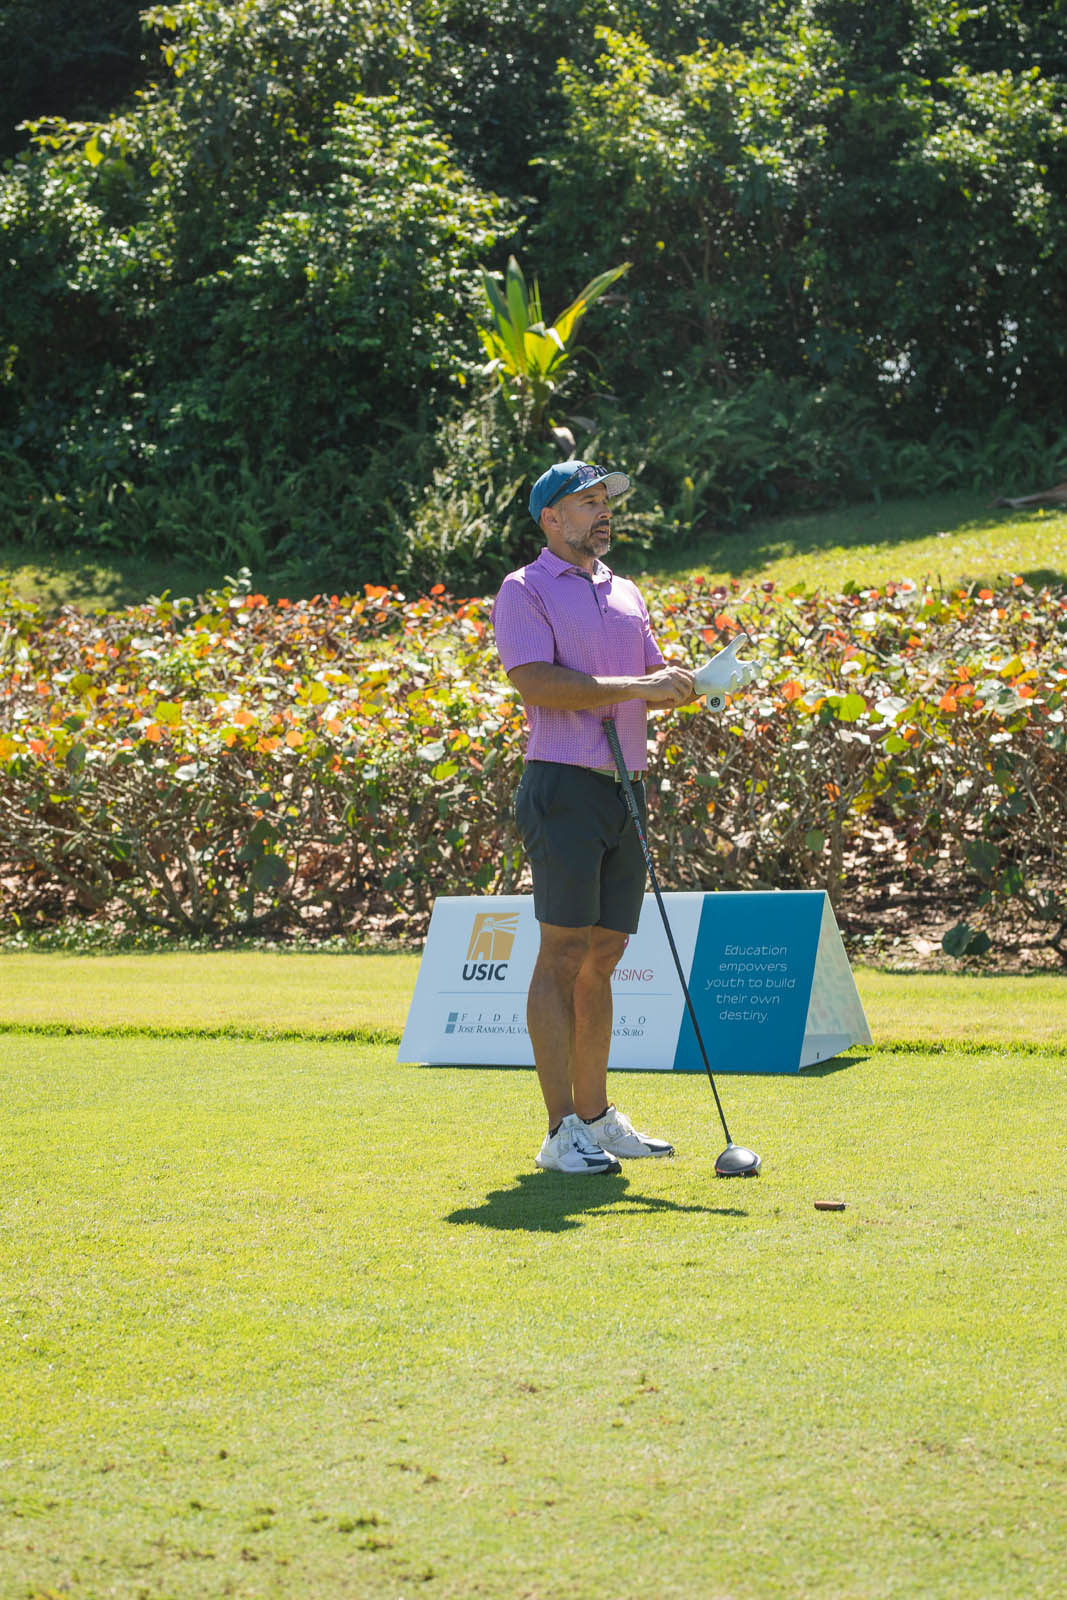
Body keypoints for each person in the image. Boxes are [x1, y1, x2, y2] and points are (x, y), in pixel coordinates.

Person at [491, 460, 695, 1175]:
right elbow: (535, 682)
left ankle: (596, 1115)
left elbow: (651, 678)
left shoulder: (626, 590)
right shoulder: (524, 588)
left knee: (604, 953)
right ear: (551, 518)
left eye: (606, 501)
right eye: (587, 502)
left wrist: (687, 683)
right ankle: (559, 1133)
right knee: (563, 953)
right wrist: (641, 685)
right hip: (563, 784)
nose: (603, 511)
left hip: (624, 786)